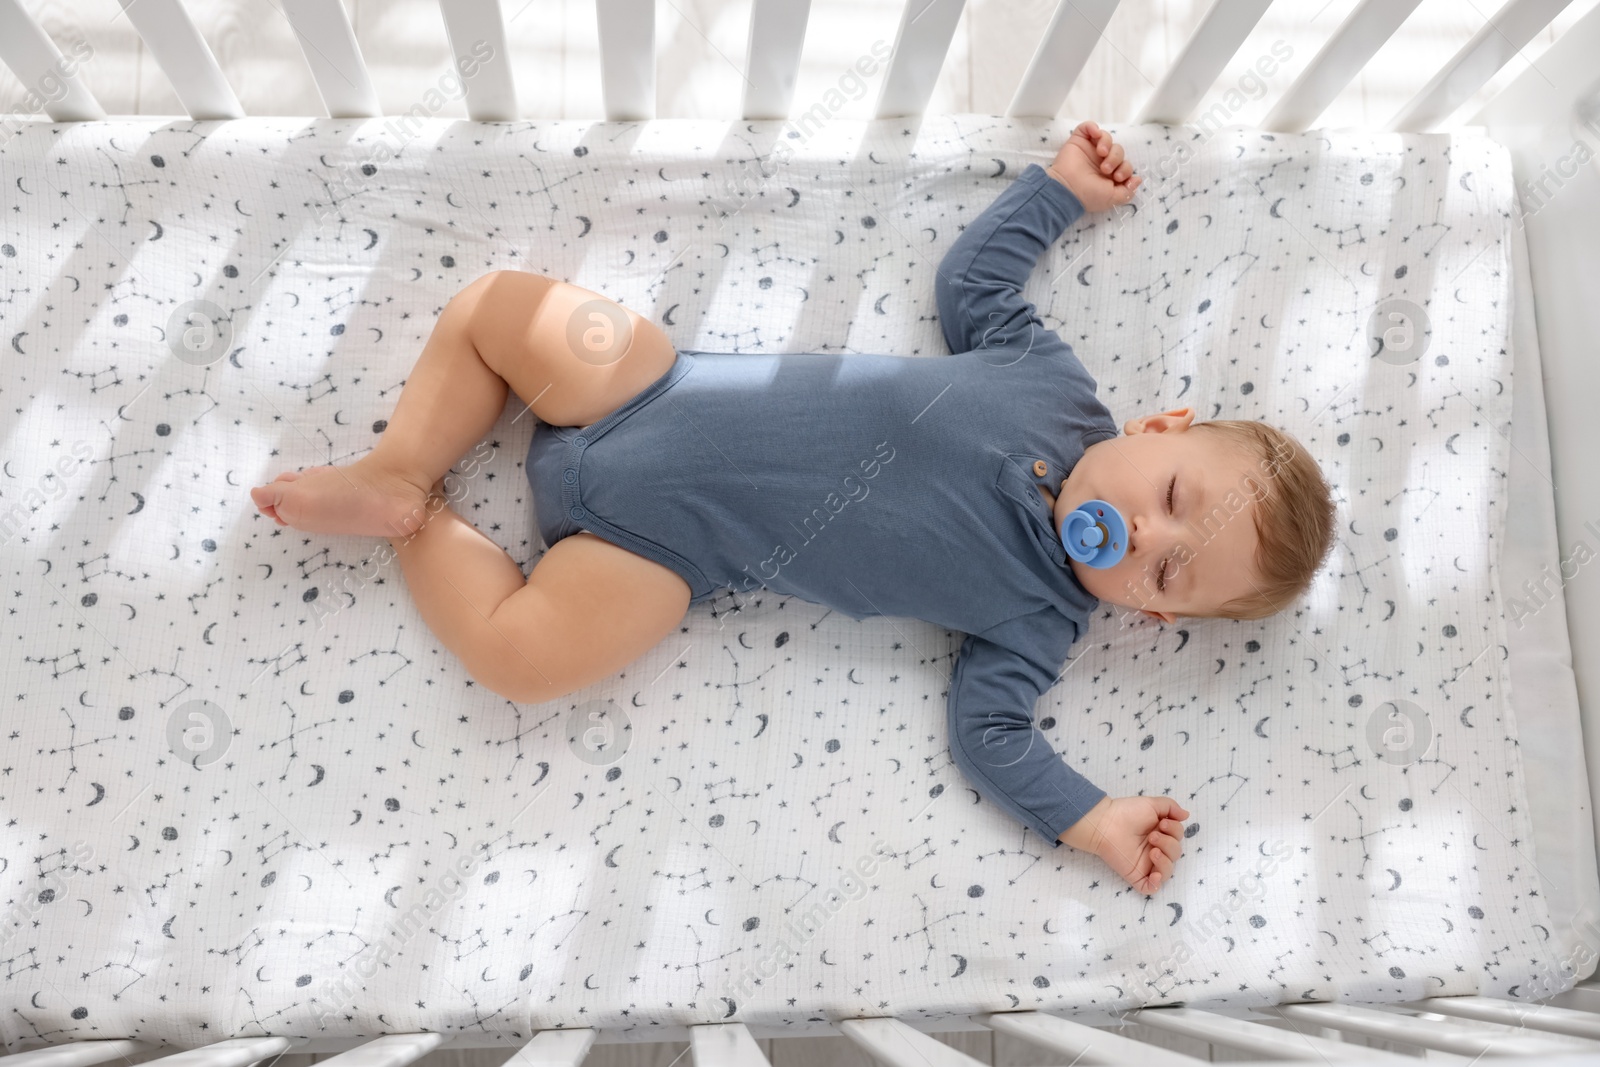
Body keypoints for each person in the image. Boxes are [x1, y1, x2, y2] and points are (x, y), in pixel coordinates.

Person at [250, 121, 1336, 896]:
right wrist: (1054, 194)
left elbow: (988, 732)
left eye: (1165, 572)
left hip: (656, 554)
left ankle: (423, 519)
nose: (1140, 535)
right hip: (648, 388)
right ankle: (402, 461)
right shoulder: (1055, 385)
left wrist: (1088, 816)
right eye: (1171, 498)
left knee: (525, 660)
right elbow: (976, 288)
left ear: (1149, 618)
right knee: (496, 304)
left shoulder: (1037, 621)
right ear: (1155, 428)